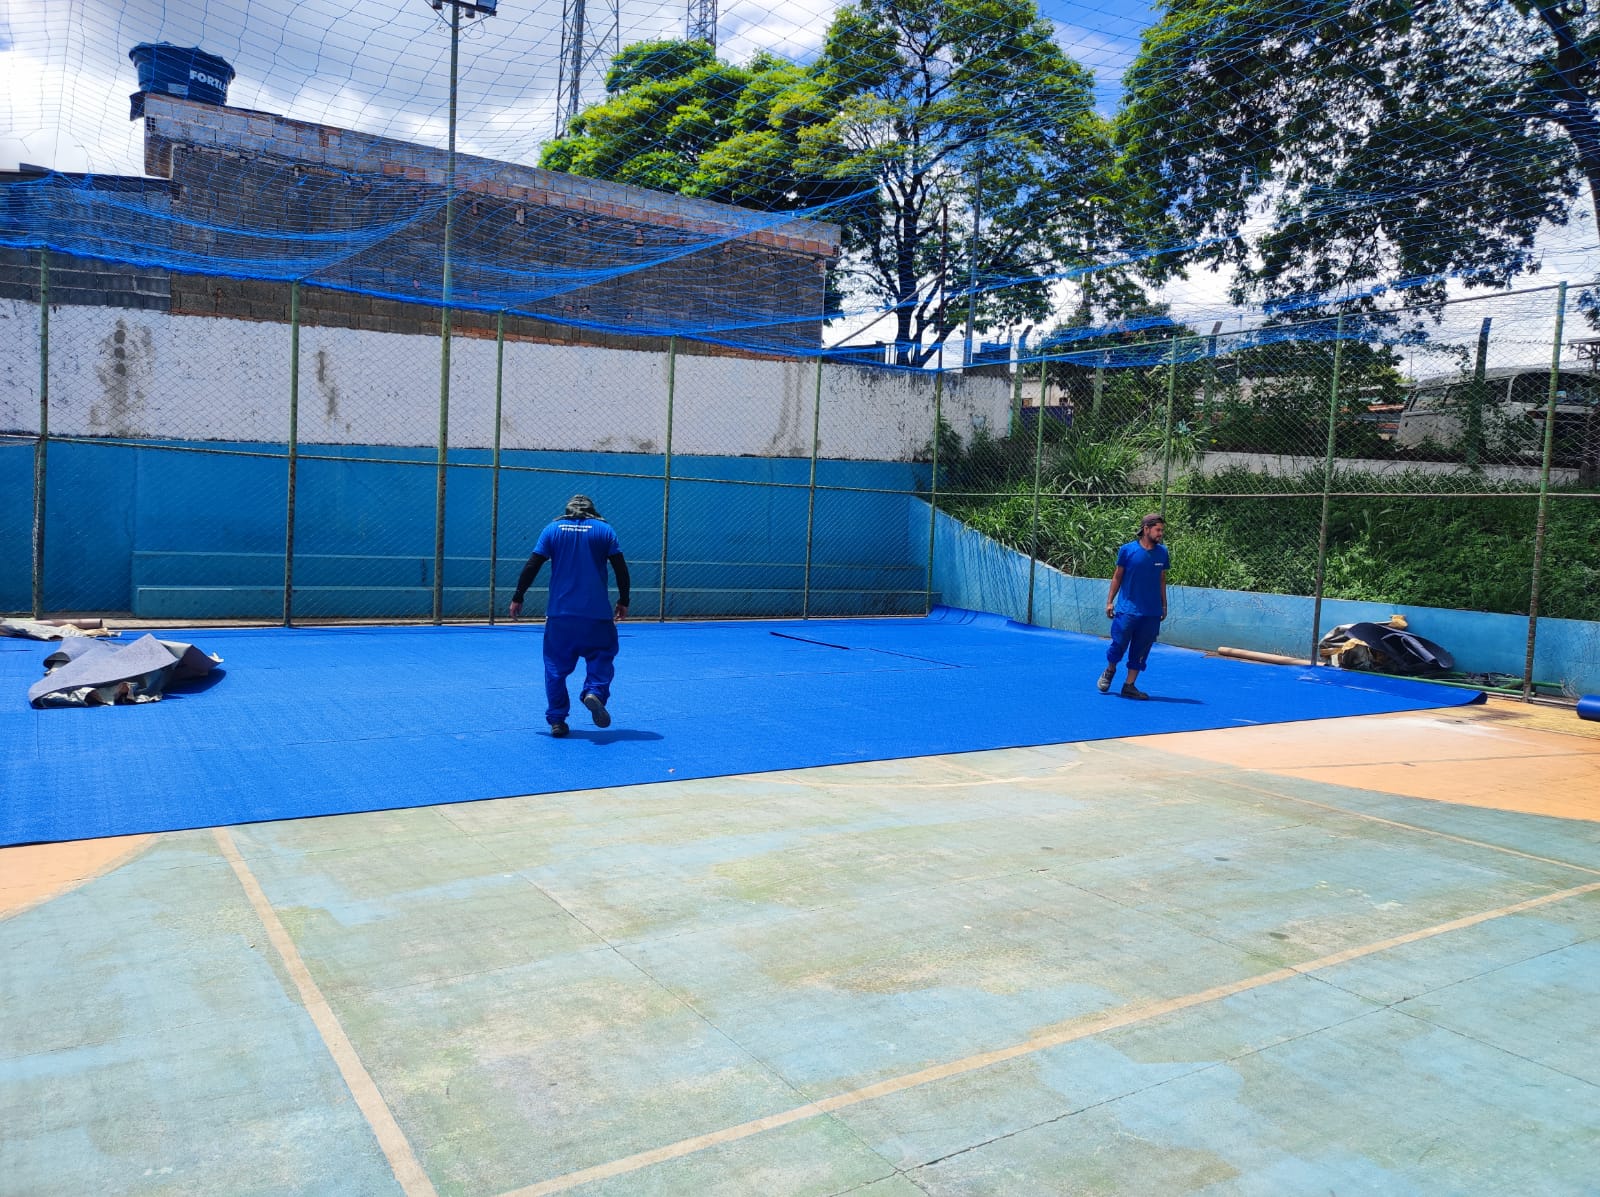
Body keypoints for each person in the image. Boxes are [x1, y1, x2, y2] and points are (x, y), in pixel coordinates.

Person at [509, 495, 630, 737]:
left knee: (555, 668)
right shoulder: (604, 530)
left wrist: (518, 596)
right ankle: (594, 692)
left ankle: (557, 720)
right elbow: (620, 567)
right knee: (603, 654)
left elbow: (533, 564)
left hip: (560, 615)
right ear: (592, 511)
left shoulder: (552, 529)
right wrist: (623, 600)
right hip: (596, 614)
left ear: (567, 510)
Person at [1098, 513, 1169, 700]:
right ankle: (1110, 669)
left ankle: (1129, 686)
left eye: (1162, 530)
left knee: (1141, 649)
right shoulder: (1127, 550)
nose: (1160, 533)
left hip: (1151, 612)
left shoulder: (1163, 552)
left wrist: (1164, 605)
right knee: (1119, 644)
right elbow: (1117, 576)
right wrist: (1109, 601)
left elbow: (1162, 579)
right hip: (1127, 610)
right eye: (1158, 530)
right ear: (1146, 529)